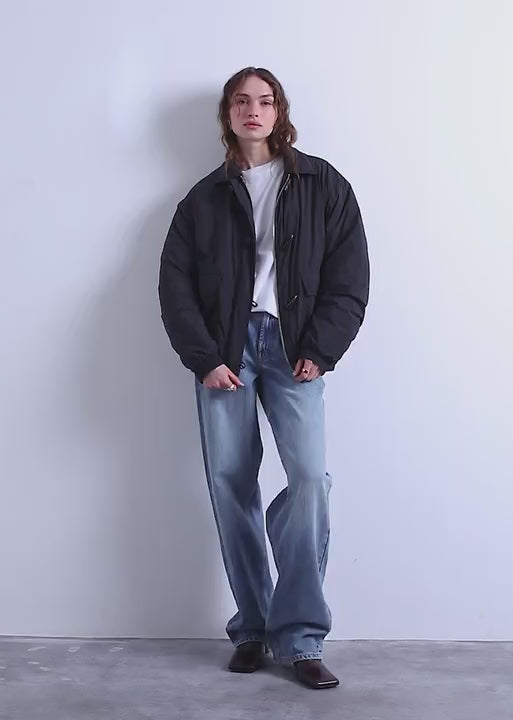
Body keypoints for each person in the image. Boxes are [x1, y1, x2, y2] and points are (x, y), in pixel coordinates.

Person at [158, 66, 370, 690]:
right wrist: (205, 357)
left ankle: (300, 637)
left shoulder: (323, 184)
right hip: (227, 353)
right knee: (231, 484)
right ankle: (252, 627)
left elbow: (350, 277)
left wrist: (322, 348)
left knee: (309, 480)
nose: (254, 110)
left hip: (294, 348)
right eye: (242, 101)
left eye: (266, 100)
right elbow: (175, 287)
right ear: (227, 114)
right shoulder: (202, 199)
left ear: (280, 112)